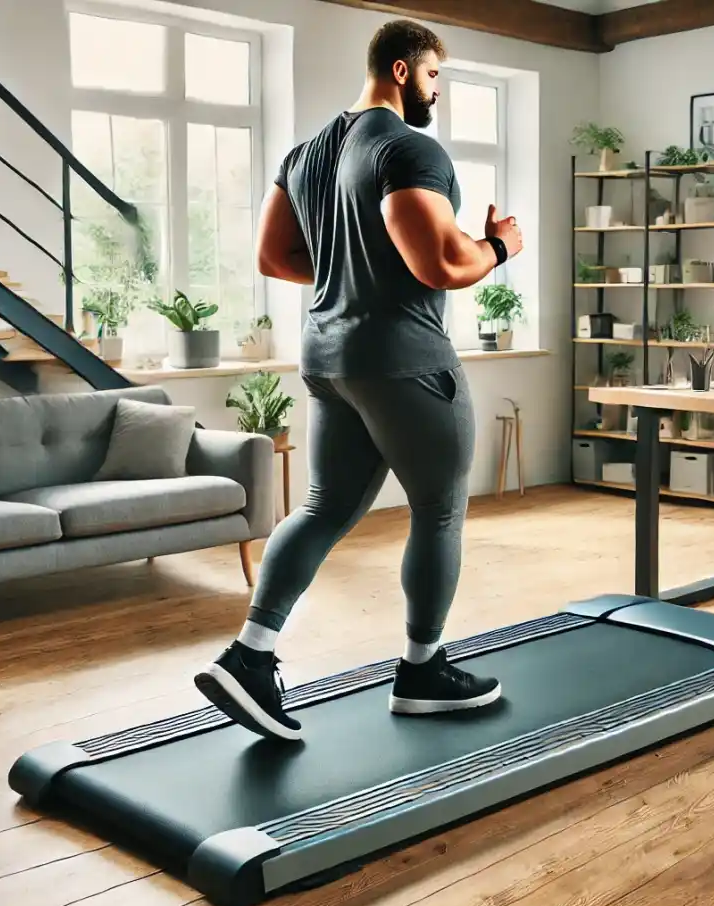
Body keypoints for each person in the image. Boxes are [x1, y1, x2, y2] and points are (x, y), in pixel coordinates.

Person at [193, 19, 524, 742]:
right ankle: (423, 670)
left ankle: (249, 655)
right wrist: (500, 244)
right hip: (405, 361)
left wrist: (356, 269)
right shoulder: (408, 148)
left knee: (322, 508)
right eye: (435, 75)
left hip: (328, 359)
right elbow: (441, 264)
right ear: (403, 71)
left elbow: (276, 257)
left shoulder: (306, 153)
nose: (437, 90)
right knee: (439, 510)